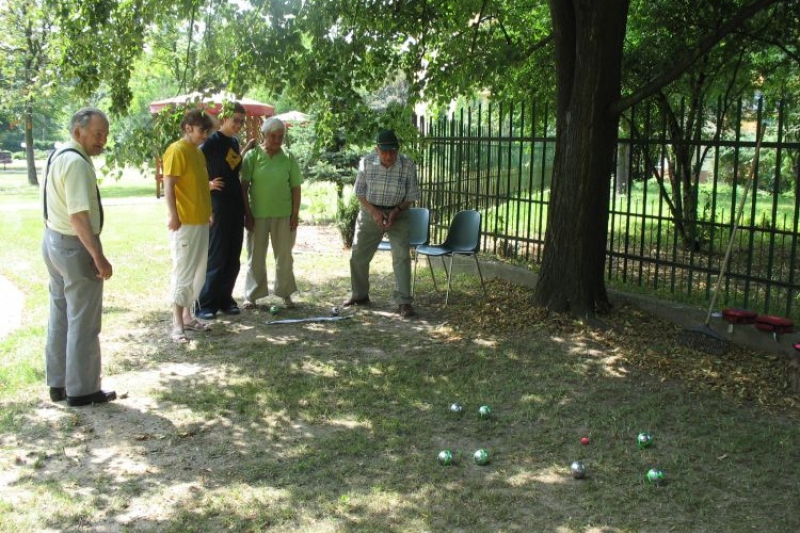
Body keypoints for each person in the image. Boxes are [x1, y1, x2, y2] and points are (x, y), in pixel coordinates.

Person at [41, 107, 117, 406]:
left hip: (53, 242)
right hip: (74, 247)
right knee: (83, 321)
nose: (103, 141)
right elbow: (78, 216)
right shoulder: (76, 164)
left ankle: (58, 384)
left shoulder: (58, 155)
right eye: (98, 134)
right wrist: (98, 257)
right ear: (78, 132)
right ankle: (83, 390)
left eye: (106, 135)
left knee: (60, 315)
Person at [343, 129, 420, 318]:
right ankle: (359, 295)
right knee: (358, 254)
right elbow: (359, 192)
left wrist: (395, 212)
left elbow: (411, 196)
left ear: (398, 150)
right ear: (377, 150)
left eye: (393, 152)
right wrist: (375, 212)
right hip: (370, 211)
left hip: (399, 212)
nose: (388, 156)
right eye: (384, 152)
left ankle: (404, 302)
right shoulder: (366, 162)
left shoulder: (407, 164)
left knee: (402, 256)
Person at [194, 102, 255, 320]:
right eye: (235, 120)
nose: (239, 124)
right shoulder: (210, 141)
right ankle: (205, 303)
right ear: (224, 118)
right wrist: (206, 184)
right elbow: (194, 163)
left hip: (235, 202)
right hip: (217, 204)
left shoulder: (234, 141)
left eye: (241, 120)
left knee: (232, 255)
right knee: (217, 254)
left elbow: (233, 167)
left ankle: (224, 298)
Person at [162, 109, 215, 343]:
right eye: (202, 130)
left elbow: (203, 185)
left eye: (207, 130)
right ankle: (176, 325)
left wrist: (209, 211)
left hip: (201, 220)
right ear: (188, 128)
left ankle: (187, 317)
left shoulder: (197, 152)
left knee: (198, 273)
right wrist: (173, 215)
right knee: (183, 271)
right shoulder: (177, 150)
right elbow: (169, 185)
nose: (205, 135)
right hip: (185, 222)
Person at [240, 117, 302, 309]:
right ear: (264, 135)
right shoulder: (252, 156)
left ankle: (285, 294)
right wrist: (247, 214)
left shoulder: (289, 157)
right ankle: (252, 295)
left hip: (283, 214)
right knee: (255, 256)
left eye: (280, 136)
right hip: (257, 215)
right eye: (273, 136)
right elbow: (243, 187)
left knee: (284, 257)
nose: (277, 140)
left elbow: (296, 188)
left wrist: (294, 215)